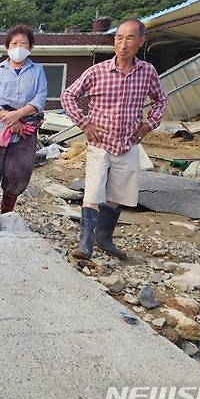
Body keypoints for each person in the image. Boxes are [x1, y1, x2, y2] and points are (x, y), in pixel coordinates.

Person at [60, 18, 167, 260]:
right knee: (93, 192)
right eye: (119, 38)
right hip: (99, 143)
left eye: (130, 38)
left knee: (116, 195)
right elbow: (68, 96)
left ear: (141, 41)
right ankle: (85, 244)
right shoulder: (98, 71)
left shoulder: (147, 73)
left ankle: (104, 239)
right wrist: (84, 123)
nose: (123, 44)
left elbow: (161, 100)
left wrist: (149, 125)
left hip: (127, 142)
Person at [0, 24, 48, 214]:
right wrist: (9, 119)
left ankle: (6, 215)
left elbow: (40, 99)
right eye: (14, 43)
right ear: (7, 47)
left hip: (26, 129)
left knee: (17, 174)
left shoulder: (37, 71)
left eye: (23, 43)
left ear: (30, 47)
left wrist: (18, 116)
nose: (19, 47)